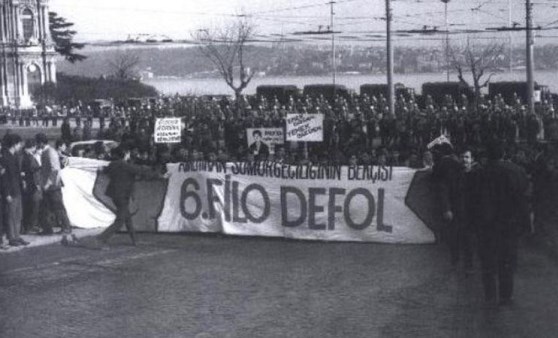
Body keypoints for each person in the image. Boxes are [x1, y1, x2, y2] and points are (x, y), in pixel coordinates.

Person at [478, 141, 530, 306]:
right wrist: (526, 223)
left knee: (488, 261)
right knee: (507, 259)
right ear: (504, 154)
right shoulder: (518, 171)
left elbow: (475, 201)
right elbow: (523, 200)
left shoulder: (481, 173)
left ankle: (490, 296)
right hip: (510, 223)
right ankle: (506, 295)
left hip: (488, 224)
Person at [96, 146, 160, 246]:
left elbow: (104, 170)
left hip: (115, 194)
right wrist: (159, 174)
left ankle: (135, 240)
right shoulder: (125, 165)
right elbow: (141, 171)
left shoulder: (112, 164)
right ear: (125, 154)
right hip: (123, 195)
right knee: (121, 220)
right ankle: (102, 238)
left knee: (127, 217)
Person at [36, 134, 72, 236]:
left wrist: (48, 183)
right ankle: (48, 229)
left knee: (58, 207)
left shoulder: (50, 153)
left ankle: (66, 227)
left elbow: (55, 169)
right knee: (45, 208)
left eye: (37, 143)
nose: (37, 145)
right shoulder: (46, 152)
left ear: (41, 142)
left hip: (53, 186)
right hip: (48, 185)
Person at [1, 134, 29, 246]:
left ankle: (17, 236)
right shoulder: (4, 158)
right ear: (14, 144)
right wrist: (6, 193)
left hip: (17, 189)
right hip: (10, 191)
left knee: (18, 215)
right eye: (19, 143)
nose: (20, 146)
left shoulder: (14, 156)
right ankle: (12, 238)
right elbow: (3, 178)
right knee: (11, 215)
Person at [21, 139, 42, 234]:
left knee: (30, 206)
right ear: (32, 147)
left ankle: (28, 226)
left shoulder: (26, 155)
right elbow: (32, 169)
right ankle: (29, 226)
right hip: (30, 184)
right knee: (32, 206)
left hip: (29, 184)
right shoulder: (27, 157)